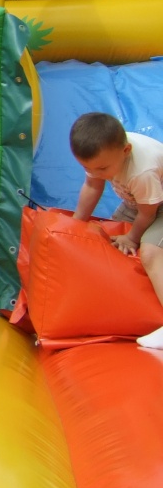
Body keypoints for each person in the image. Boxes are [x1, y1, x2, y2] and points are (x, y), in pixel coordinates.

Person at [69, 112, 163, 349]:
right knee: (105, 243)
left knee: (150, 252)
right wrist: (75, 225)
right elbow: (92, 185)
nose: (96, 173)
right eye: (87, 167)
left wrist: (132, 237)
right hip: (139, 203)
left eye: (102, 168)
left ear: (126, 151)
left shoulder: (142, 171)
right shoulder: (103, 152)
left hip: (154, 206)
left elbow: (148, 214)